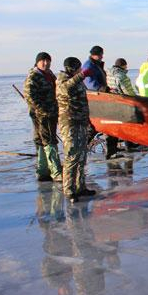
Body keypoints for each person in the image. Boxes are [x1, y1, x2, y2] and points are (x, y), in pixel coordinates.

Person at [57, 57, 96, 203]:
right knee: (71, 155)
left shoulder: (76, 81)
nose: (80, 70)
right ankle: (69, 190)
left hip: (81, 122)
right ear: (73, 68)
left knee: (81, 156)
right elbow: (66, 89)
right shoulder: (62, 80)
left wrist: (88, 121)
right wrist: (82, 75)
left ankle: (81, 187)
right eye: (78, 68)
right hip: (69, 123)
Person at [24, 52, 63, 182]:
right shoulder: (33, 76)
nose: (46, 63)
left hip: (52, 112)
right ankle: (55, 170)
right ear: (37, 62)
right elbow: (29, 96)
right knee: (49, 140)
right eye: (43, 61)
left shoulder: (49, 74)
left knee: (42, 139)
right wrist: (42, 110)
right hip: (42, 115)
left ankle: (43, 170)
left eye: (48, 61)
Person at [82, 45, 121, 159]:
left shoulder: (96, 65)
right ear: (94, 54)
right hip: (96, 100)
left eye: (101, 54)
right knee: (94, 127)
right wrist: (104, 90)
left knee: (110, 125)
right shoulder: (88, 66)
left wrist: (108, 89)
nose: (101, 56)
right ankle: (80, 150)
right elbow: (91, 84)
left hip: (102, 98)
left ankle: (112, 152)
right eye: (100, 54)